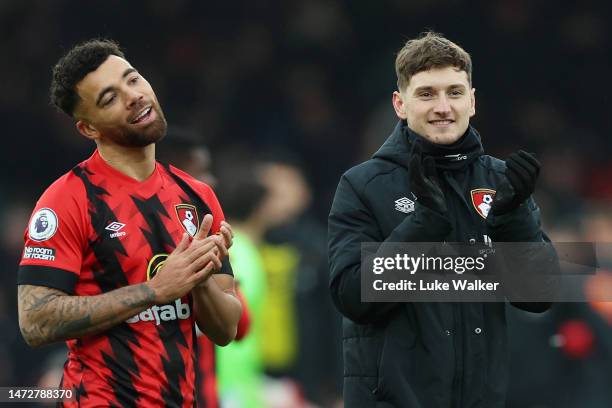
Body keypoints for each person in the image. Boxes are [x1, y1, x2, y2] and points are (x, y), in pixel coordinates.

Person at [328, 32, 558, 407]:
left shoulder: (501, 184)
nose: (442, 107)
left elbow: (539, 296)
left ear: (472, 100)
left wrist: (513, 219)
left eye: (454, 92)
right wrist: (423, 226)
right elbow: (352, 297)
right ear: (400, 104)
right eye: (426, 94)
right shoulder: (361, 185)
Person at [17, 39, 242, 407]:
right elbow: (35, 321)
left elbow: (226, 329)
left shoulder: (197, 195)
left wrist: (199, 279)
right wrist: (154, 291)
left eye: (133, 80)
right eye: (109, 98)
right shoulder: (68, 199)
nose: (133, 96)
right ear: (88, 129)